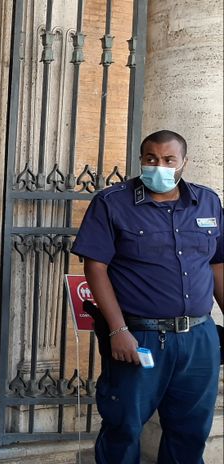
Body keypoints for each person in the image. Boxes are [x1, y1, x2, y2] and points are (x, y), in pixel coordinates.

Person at [72, 130, 223, 463]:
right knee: (123, 428)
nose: (160, 166)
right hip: (139, 337)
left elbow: (217, 265)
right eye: (151, 159)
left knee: (191, 431)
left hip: (198, 338)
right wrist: (117, 330)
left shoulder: (208, 202)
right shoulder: (112, 203)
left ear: (184, 161)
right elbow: (95, 268)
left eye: (169, 159)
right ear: (141, 160)